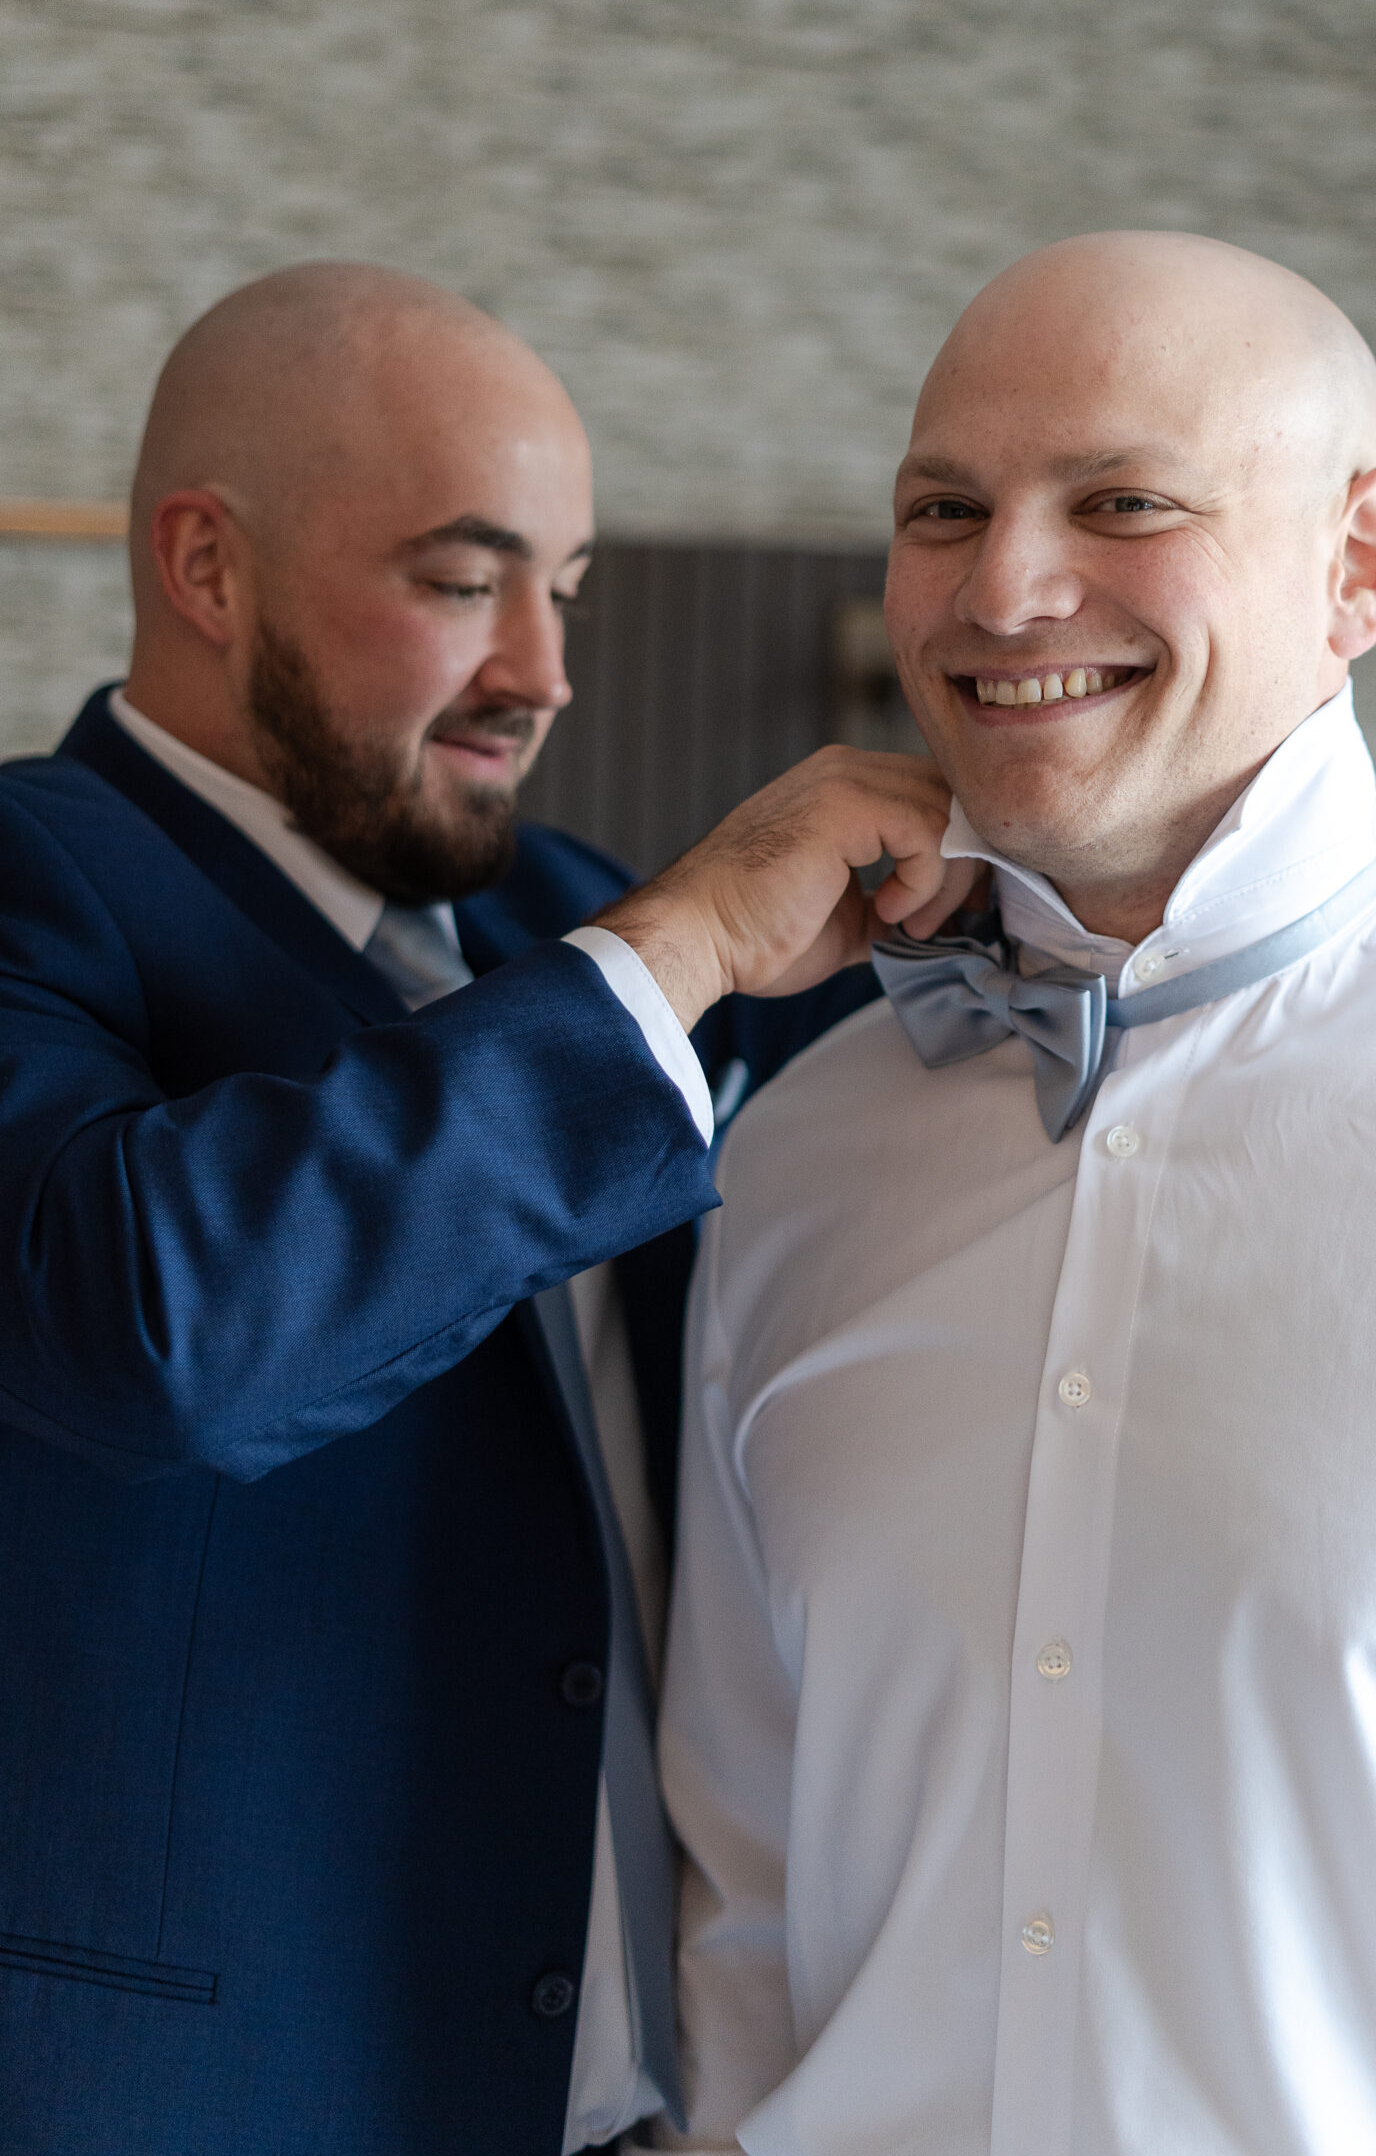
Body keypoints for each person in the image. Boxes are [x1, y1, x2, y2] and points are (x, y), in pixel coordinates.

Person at [660, 231, 1376, 2156]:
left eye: (1123, 501)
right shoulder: (786, 1158)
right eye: (943, 509)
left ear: (1363, 561)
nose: (1004, 589)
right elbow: (741, 1892)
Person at [0, 263, 958, 2156]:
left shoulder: (562, 915)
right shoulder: (37, 886)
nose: (545, 670)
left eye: (568, 590)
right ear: (208, 570)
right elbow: (166, 1331)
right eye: (463, 582)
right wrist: (679, 939)